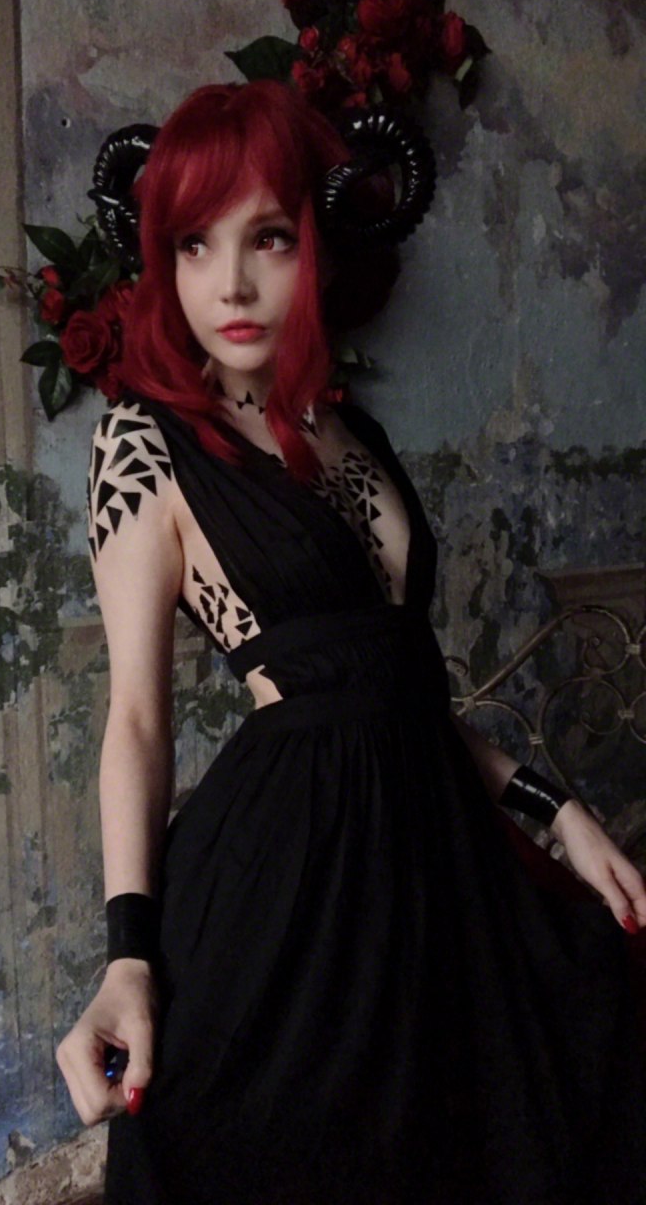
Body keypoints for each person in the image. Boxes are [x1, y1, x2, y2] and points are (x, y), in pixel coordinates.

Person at [56, 79, 646, 1204]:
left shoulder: (352, 431)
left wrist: (556, 810)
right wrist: (128, 949)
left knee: (540, 1080)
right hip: (293, 876)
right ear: (163, 263)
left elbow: (398, 687)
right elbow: (135, 718)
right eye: (194, 244)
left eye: (268, 237)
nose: (231, 282)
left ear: (315, 245)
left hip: (436, 852)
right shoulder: (144, 441)